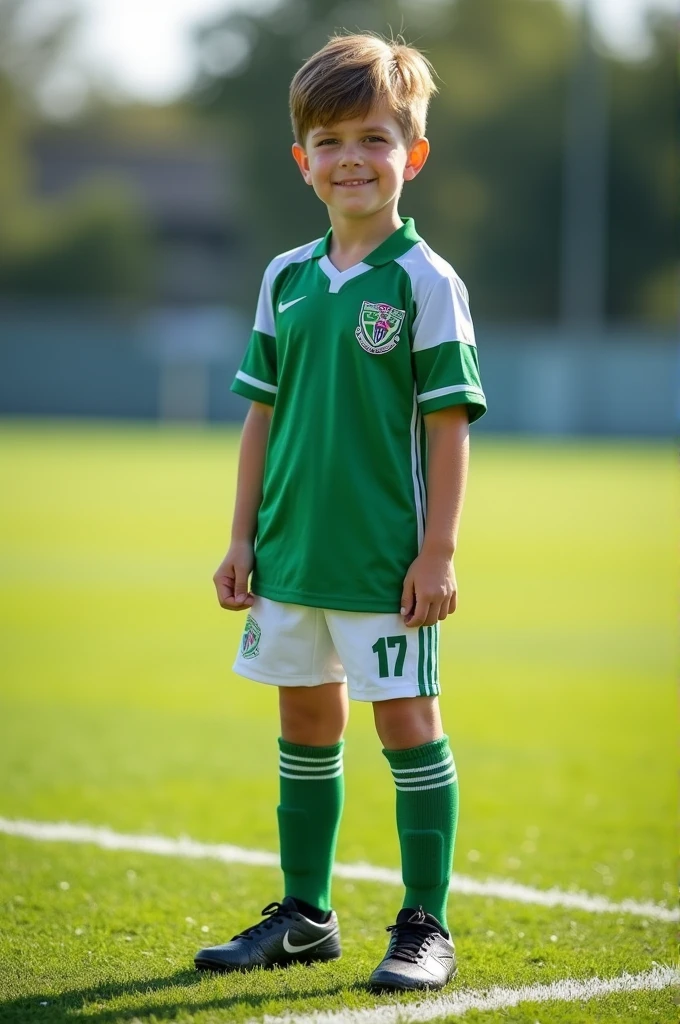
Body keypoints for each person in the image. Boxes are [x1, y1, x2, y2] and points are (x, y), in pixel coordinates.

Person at [194, 32, 486, 992]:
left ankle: (424, 923)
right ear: (302, 160)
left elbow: (448, 430)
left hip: (383, 561)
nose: (351, 158)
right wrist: (241, 536)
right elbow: (258, 421)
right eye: (329, 140)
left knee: (407, 725)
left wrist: (437, 553)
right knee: (306, 726)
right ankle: (306, 913)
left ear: (415, 154)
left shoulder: (425, 283)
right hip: (290, 555)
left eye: (373, 137)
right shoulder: (285, 277)